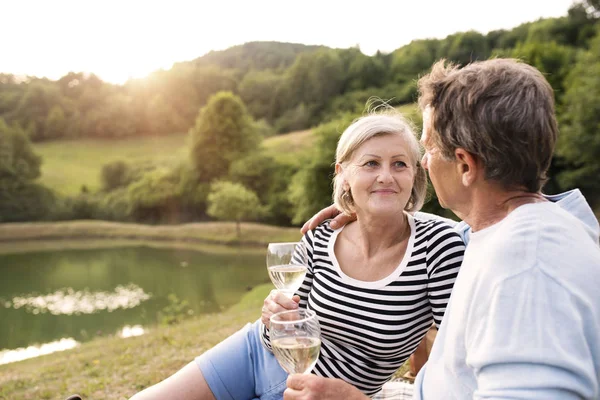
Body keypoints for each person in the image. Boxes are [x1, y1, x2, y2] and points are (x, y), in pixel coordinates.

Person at [288, 58, 600, 399]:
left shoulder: (527, 272)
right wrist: (364, 210)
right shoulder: (507, 230)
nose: (423, 162)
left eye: (430, 148)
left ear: (465, 165)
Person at [129, 111, 466, 399]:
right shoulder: (322, 234)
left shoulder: (438, 245)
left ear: (414, 176)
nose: (386, 176)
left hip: (317, 392)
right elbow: (288, 316)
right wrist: (274, 312)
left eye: (399, 164)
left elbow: (455, 361)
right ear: (343, 175)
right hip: (255, 353)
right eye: (371, 164)